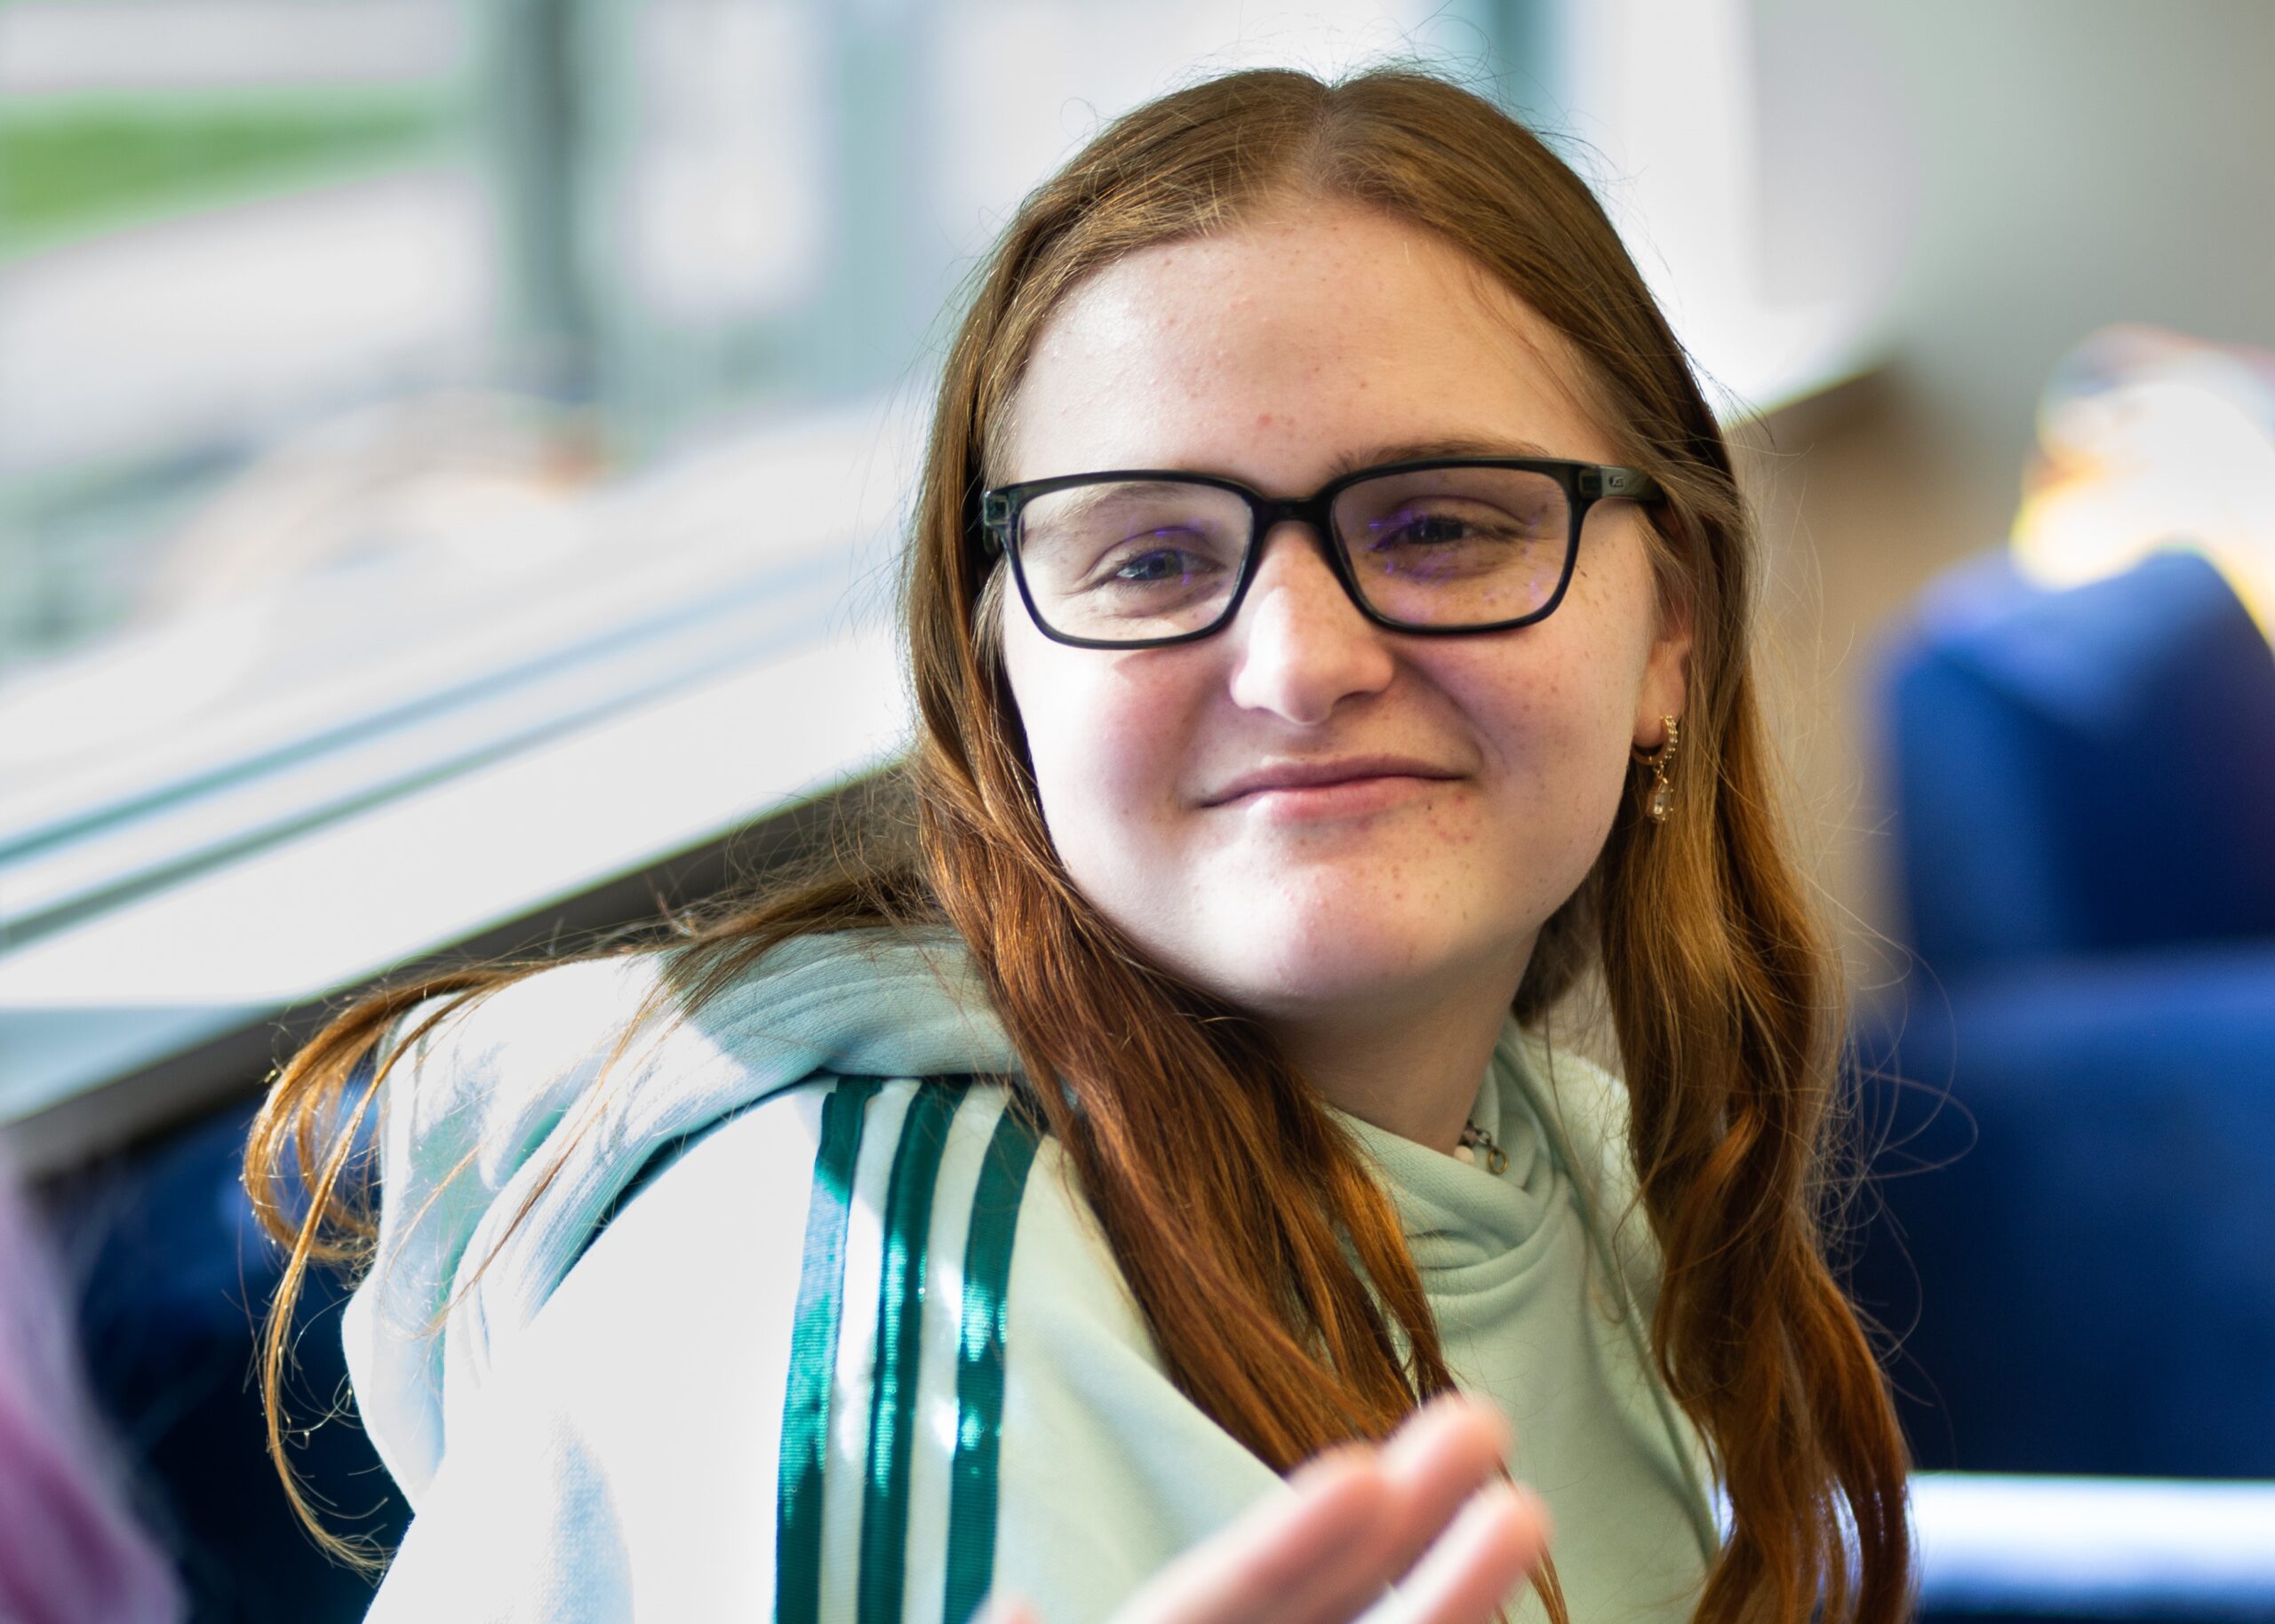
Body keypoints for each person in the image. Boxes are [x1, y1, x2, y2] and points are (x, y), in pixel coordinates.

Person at [246, 65, 1914, 1624]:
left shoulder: (1583, 1168)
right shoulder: (876, 1308)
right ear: (1002, 689)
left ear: (1671, 633)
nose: (1301, 662)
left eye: (1443, 527)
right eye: (1152, 560)